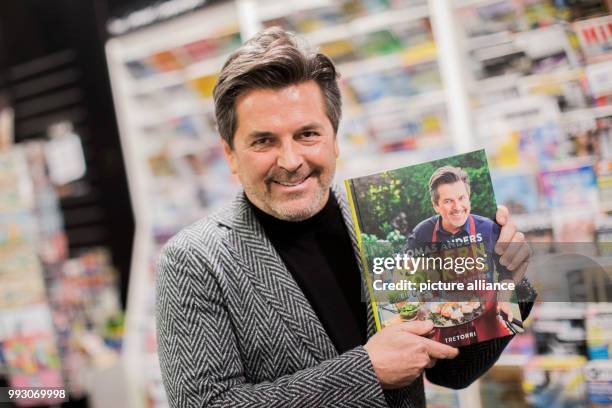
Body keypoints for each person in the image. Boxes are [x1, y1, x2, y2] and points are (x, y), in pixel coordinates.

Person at [155, 27, 536, 408]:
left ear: (335, 138)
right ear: (230, 154)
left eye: (307, 134)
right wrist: (366, 372)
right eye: (263, 141)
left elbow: (452, 370)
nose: (290, 161)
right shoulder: (193, 260)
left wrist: (507, 285)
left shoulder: (382, 225)